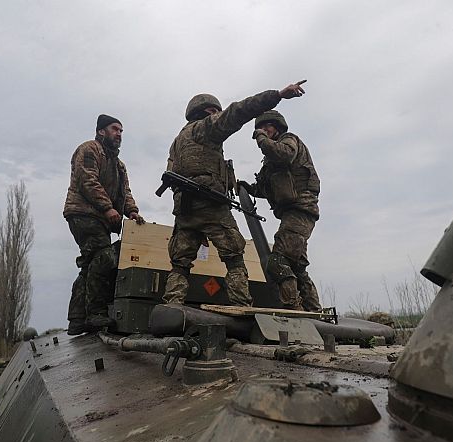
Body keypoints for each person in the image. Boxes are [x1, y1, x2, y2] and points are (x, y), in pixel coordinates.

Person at [162, 82, 306, 306]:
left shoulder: (178, 142)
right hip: (210, 205)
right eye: (214, 111)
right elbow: (239, 110)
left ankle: (172, 304)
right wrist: (277, 95)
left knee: (180, 264)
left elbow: (172, 173)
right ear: (206, 112)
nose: (217, 114)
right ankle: (241, 306)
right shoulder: (205, 128)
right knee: (234, 258)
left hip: (184, 209)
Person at [63, 114, 145, 335]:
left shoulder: (119, 165)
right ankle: (95, 313)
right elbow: (88, 180)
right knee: (104, 258)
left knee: (91, 264)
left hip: (100, 218)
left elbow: (125, 192)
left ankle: (77, 319)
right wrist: (108, 208)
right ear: (101, 131)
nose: (119, 134)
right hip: (83, 213)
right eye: (114, 129)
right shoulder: (89, 149)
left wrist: (132, 211)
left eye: (121, 131)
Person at [241, 110, 322, 311]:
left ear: (277, 126)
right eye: (260, 128)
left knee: (277, 262)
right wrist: (248, 188)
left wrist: (261, 139)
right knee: (297, 267)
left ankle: (293, 310)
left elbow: (284, 155)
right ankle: (314, 311)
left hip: (301, 211)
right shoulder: (271, 161)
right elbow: (267, 188)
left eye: (266, 126)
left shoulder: (289, 141)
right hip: (293, 213)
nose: (263, 130)